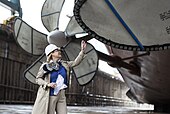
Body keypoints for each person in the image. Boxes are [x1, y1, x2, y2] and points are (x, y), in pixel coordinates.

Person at [32, 40, 87, 114]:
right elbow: (38, 79)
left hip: (61, 95)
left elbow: (75, 62)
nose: (59, 51)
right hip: (50, 95)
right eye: (56, 50)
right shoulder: (46, 66)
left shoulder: (63, 64)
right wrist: (47, 84)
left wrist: (82, 51)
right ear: (51, 54)